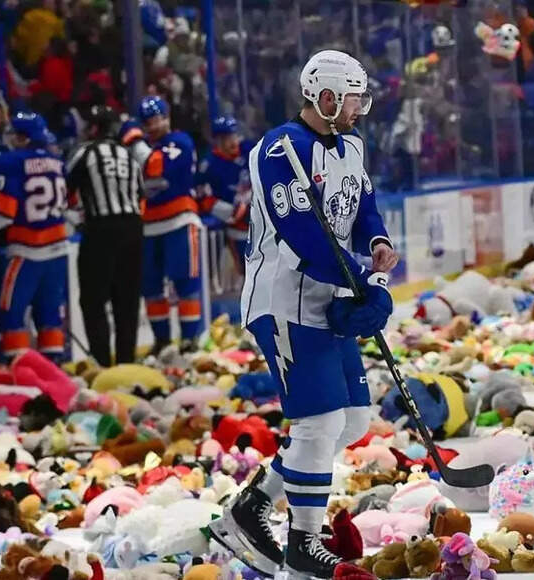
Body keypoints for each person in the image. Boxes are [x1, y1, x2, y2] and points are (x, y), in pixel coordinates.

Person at [208, 50, 399, 580]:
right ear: (328, 97)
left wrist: (376, 242)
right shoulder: (279, 149)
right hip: (284, 299)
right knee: (319, 421)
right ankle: (302, 544)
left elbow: (360, 208)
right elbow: (303, 233)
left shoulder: (352, 144)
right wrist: (360, 284)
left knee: (354, 419)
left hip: (326, 292)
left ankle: (251, 508)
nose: (361, 109)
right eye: (355, 98)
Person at [0, 112, 70, 360]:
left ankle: (20, 373)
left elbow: (4, 211)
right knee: (50, 317)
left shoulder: (11, 161)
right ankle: (53, 372)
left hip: (28, 251)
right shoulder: (57, 160)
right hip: (58, 250)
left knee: (11, 314)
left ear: (22, 137)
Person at [66, 105, 144, 367]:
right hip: (133, 228)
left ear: (95, 129)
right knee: (127, 300)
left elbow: (65, 187)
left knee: (94, 299)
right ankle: (127, 364)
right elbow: (140, 195)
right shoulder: (129, 155)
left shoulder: (85, 152)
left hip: (101, 228)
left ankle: (101, 363)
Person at [122, 95, 202, 354]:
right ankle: (162, 341)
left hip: (179, 221)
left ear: (167, 118)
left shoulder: (180, 141)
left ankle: (190, 340)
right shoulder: (144, 147)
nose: (153, 126)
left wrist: (134, 142)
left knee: (185, 284)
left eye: (157, 119)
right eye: (148, 122)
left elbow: (157, 169)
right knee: (151, 287)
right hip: (147, 225)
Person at [196, 116, 251, 273]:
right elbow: (200, 195)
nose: (233, 141)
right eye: (227, 138)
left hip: (259, 217)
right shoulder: (209, 164)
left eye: (234, 135)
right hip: (234, 225)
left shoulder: (249, 150)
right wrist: (228, 211)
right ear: (218, 140)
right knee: (246, 270)